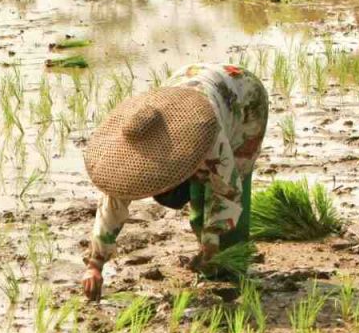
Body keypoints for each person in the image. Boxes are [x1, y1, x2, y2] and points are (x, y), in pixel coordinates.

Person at [80, 63, 269, 300]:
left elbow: (228, 193)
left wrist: (211, 246)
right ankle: (210, 252)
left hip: (244, 99)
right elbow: (111, 207)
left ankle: (232, 267)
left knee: (222, 194)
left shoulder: (208, 137)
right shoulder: (129, 157)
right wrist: (94, 264)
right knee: (201, 210)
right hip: (189, 81)